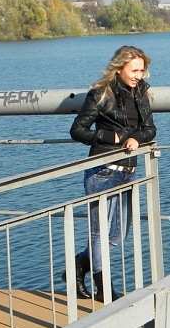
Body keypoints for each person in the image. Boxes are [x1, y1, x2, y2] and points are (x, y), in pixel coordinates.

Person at [63, 45, 157, 302]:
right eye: (134, 70)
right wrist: (109, 137)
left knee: (117, 234)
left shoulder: (141, 93)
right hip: (102, 171)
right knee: (99, 234)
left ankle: (78, 266)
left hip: (127, 172)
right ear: (119, 68)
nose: (138, 76)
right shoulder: (100, 94)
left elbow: (150, 129)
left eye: (141, 71)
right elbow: (77, 130)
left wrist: (138, 138)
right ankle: (104, 287)